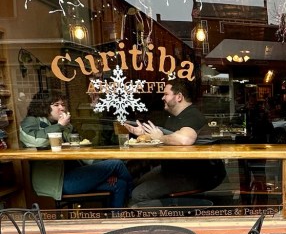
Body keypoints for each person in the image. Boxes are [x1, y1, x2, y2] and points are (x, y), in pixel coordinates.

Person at [19, 90, 132, 208]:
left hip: (75, 174)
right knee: (117, 164)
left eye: (63, 104)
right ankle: (134, 203)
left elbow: (80, 150)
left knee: (119, 184)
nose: (61, 108)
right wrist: (59, 126)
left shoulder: (66, 126)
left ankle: (114, 221)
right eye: (56, 105)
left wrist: (106, 171)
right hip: (58, 182)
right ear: (43, 106)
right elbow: (35, 140)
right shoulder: (31, 121)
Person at [125, 78, 225, 207]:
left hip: (197, 174)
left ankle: (167, 220)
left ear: (179, 97)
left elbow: (184, 140)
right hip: (174, 169)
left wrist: (159, 138)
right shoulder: (173, 117)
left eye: (166, 94)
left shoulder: (193, 115)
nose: (162, 98)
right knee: (134, 183)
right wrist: (144, 135)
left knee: (138, 195)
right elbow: (167, 136)